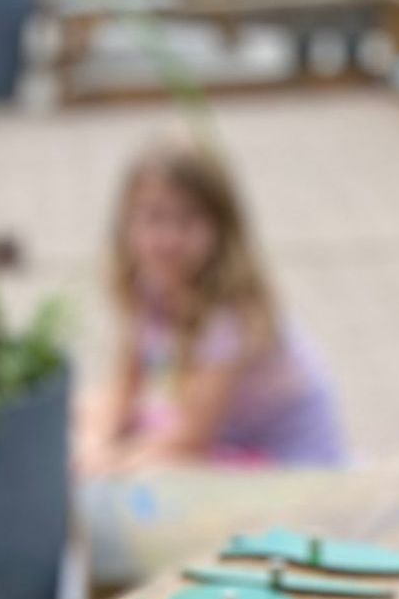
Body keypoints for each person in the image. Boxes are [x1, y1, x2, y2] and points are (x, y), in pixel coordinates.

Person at [76, 138, 348, 478]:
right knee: (79, 411)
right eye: (153, 218)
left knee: (153, 473)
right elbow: (123, 387)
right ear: (126, 224)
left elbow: (188, 440)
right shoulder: (151, 283)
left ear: (222, 227)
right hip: (224, 432)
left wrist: (108, 464)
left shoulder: (229, 315)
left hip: (288, 465)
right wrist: (96, 443)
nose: (168, 238)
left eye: (186, 220)